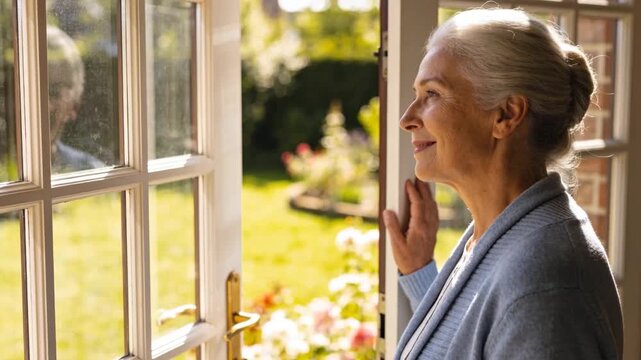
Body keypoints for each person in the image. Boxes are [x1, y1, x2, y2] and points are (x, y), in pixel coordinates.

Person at [382, 8, 623, 359]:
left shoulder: (545, 282)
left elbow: (525, 308)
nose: (407, 119)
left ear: (506, 115)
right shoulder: (500, 235)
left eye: (432, 93)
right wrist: (421, 275)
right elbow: (484, 330)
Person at [47, 25, 105, 172]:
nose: (40, 104)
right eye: (25, 88)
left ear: (73, 105)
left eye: (53, 92)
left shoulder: (90, 174)